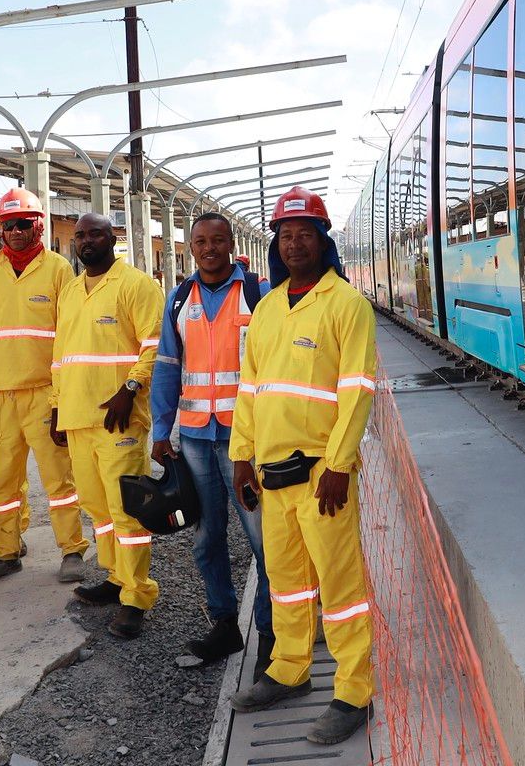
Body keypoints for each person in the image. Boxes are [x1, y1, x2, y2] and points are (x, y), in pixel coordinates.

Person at [228, 188, 378, 747]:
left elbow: (358, 391)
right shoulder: (266, 307)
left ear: (323, 240)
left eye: (304, 233)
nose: (294, 243)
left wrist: (339, 466)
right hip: (271, 472)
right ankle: (289, 669)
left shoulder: (346, 305)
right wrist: (240, 456)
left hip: (321, 475)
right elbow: (250, 388)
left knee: (341, 587)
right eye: (285, 235)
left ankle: (353, 690)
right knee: (287, 582)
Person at [150, 213, 272, 668]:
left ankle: (270, 634)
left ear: (230, 243)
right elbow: (166, 366)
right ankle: (224, 624)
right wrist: (162, 430)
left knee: (263, 540)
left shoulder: (258, 294)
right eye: (200, 241)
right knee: (206, 538)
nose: (208, 248)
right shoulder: (180, 298)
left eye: (217, 240)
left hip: (248, 440)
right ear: (191, 246)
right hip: (198, 438)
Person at [0, 188, 89, 587]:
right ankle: (4, 553)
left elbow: (69, 335)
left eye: (24, 224)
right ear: (0, 230)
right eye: (8, 225)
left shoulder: (57, 270)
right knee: (2, 481)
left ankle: (71, 550)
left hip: (43, 391)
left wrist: (61, 396)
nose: (16, 232)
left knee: (59, 479)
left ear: (39, 225)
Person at [53, 211, 164, 639]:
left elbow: (154, 344)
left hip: (119, 419)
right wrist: (57, 408)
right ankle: (116, 578)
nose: (85, 241)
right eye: (79, 235)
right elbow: (62, 356)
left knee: (127, 511)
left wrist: (130, 387)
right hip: (79, 416)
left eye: (94, 233)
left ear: (112, 237)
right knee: (98, 509)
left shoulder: (136, 285)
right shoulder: (70, 291)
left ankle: (137, 596)